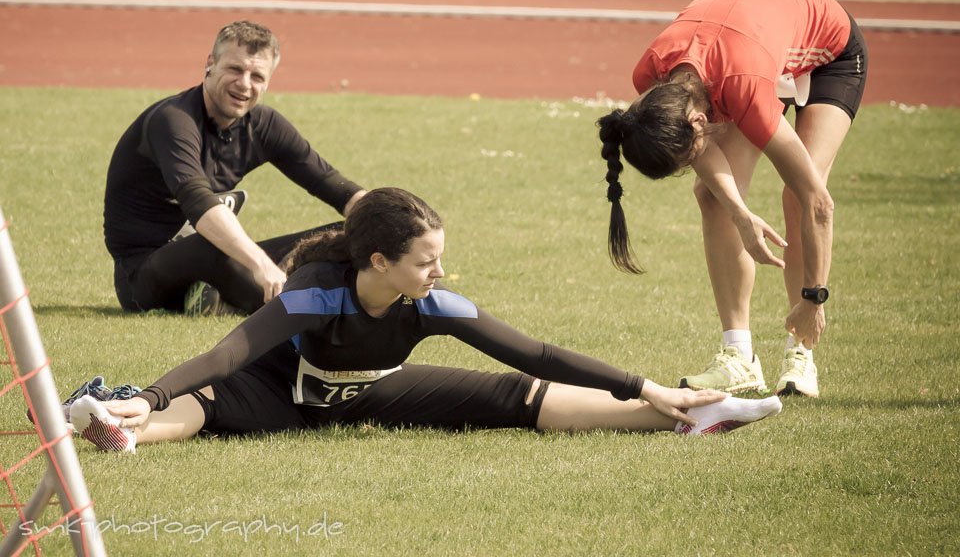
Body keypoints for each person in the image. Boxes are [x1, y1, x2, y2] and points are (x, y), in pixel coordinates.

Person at [70, 188, 782, 453]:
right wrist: (153, 397)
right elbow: (230, 353)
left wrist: (646, 385)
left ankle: (694, 416)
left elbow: (534, 353)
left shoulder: (430, 305)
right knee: (204, 404)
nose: (438, 273)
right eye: (424, 261)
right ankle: (117, 425)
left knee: (514, 400)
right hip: (275, 395)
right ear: (377, 261)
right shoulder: (319, 293)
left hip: (372, 391)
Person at [597, 0, 868, 398]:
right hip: (750, 51)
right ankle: (739, 358)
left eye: (687, 157)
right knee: (713, 198)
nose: (690, 165)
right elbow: (702, 158)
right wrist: (742, 216)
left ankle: (801, 354)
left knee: (799, 193)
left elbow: (820, 204)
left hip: (829, 53)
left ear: (700, 123)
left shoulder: (742, 87)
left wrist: (814, 298)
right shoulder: (652, 82)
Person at [103, 20, 366, 316]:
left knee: (352, 232)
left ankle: (222, 298)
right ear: (210, 64)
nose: (244, 84)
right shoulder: (174, 120)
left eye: (257, 76)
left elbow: (333, 185)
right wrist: (261, 265)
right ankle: (308, 308)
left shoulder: (264, 125)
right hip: (144, 275)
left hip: (216, 259)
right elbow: (199, 203)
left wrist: (399, 228)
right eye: (235, 69)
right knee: (211, 246)